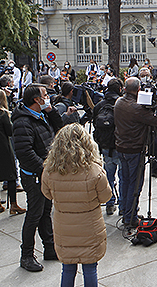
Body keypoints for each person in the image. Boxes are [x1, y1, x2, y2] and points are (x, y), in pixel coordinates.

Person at [41, 123, 112, 287]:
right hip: (90, 227)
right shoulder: (95, 171)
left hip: (64, 227)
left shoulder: (50, 170)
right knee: (90, 268)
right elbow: (105, 197)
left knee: (67, 268)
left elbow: (47, 194)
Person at [12, 84, 64, 272]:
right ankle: (26, 255)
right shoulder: (23, 122)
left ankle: (49, 248)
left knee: (45, 211)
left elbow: (60, 127)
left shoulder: (41, 115)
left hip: (45, 173)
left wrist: (51, 111)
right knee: (34, 214)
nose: (48, 97)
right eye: (45, 95)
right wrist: (44, 171)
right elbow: (24, 152)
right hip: (34, 176)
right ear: (36, 100)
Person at [114, 77, 157, 231]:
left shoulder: (119, 102)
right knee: (134, 184)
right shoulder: (137, 108)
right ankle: (130, 217)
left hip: (121, 147)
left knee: (124, 180)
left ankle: (125, 211)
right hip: (134, 149)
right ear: (138, 90)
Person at [92, 78, 124, 216]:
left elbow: (95, 124)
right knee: (123, 177)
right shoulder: (121, 104)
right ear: (119, 89)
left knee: (108, 175)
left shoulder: (99, 105)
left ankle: (110, 203)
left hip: (105, 146)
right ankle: (123, 205)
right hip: (119, 144)